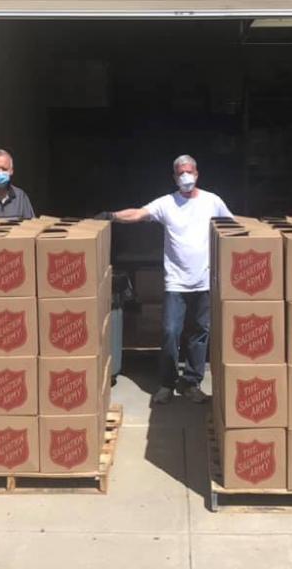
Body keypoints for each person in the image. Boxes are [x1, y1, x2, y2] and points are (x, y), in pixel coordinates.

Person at [104, 155, 232, 405]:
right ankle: (166, 383)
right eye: (180, 172)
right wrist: (112, 215)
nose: (185, 176)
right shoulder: (167, 203)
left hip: (204, 281)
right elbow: (139, 214)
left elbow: (232, 225)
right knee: (170, 332)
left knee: (199, 333)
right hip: (176, 282)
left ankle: (191, 383)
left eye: (189, 171)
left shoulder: (212, 201)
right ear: (174, 177)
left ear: (197, 173)